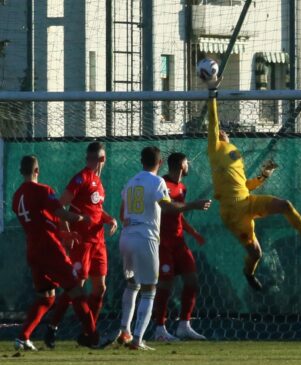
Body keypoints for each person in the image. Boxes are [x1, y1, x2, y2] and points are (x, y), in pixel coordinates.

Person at [205, 79, 301, 291]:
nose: (222, 131)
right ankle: (248, 273)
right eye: (219, 130)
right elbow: (212, 120)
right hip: (233, 213)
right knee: (256, 253)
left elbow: (243, 184)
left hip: (248, 200)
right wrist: (212, 92)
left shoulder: (234, 150)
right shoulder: (214, 148)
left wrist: (263, 177)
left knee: (285, 205)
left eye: (223, 130)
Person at [115, 147, 211, 350]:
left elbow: (122, 212)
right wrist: (193, 205)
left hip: (127, 236)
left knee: (132, 285)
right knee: (151, 289)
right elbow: (166, 207)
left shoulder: (131, 181)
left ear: (141, 161)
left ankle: (125, 331)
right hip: (147, 237)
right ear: (160, 163)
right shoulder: (158, 182)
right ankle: (139, 338)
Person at [12, 155, 99, 350]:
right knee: (76, 290)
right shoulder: (43, 190)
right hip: (50, 249)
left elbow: (37, 225)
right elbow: (61, 213)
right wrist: (82, 218)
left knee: (47, 296)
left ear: (21, 171)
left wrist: (63, 234)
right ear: (37, 171)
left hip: (33, 251)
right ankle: (94, 338)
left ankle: (23, 336)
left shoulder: (17, 196)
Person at [44, 142, 118, 349]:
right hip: (83, 243)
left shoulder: (98, 181)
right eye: (91, 159)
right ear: (103, 159)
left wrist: (110, 219)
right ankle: (53, 326)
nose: (92, 162)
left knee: (100, 287)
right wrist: (66, 232)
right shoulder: (82, 177)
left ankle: (88, 334)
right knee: (76, 288)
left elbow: (95, 210)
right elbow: (60, 205)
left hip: (98, 242)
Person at [152, 152, 208, 341]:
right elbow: (168, 208)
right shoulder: (162, 184)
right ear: (180, 165)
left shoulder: (182, 187)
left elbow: (178, 214)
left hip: (179, 242)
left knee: (192, 280)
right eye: (187, 163)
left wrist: (193, 233)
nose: (188, 166)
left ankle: (184, 325)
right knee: (165, 284)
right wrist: (193, 205)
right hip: (163, 242)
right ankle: (160, 328)